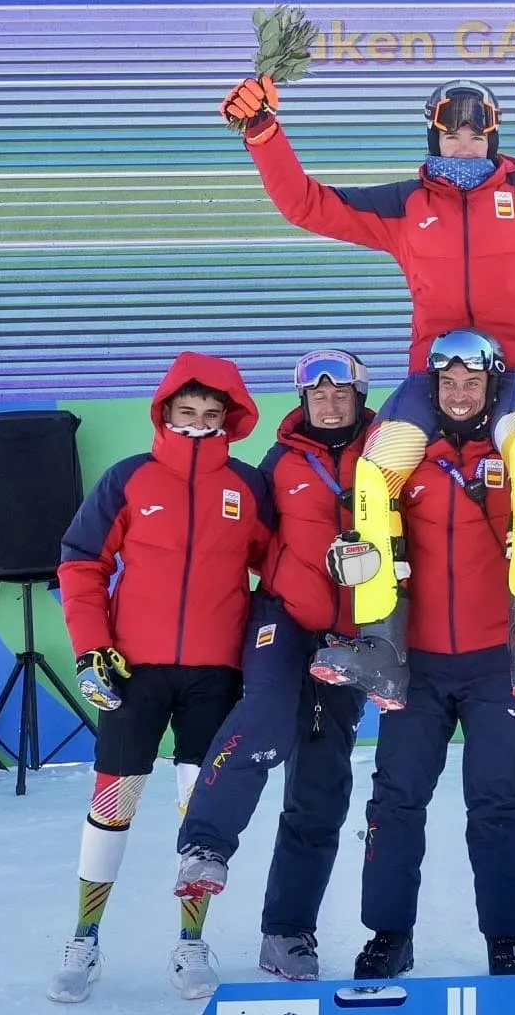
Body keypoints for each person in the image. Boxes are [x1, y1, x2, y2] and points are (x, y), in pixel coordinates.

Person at [220, 55, 515, 710]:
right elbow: (307, 205)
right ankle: (382, 647)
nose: (464, 144)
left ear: (493, 138)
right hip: (434, 379)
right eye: (452, 134)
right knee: (375, 470)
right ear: (434, 137)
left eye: (476, 135)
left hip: (513, 377)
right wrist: (262, 133)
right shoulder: (406, 206)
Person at [327, 306, 515, 981]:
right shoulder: (400, 456)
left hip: (497, 663)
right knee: (395, 800)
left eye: (472, 380)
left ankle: (506, 939)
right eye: (448, 381)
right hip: (418, 666)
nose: (460, 391)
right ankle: (388, 934)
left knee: (497, 804)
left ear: (494, 386)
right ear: (432, 390)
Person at [46, 352, 275, 1004]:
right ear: (165, 413)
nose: (199, 426)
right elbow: (81, 561)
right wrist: (92, 649)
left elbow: (279, 570)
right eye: (188, 413)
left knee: (199, 812)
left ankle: (190, 942)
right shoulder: (130, 479)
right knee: (112, 803)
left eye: (211, 416)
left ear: (230, 421)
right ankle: (85, 938)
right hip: (133, 673)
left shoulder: (248, 488)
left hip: (215, 676)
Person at [168, 350, 374, 982]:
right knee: (262, 717)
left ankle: (288, 935)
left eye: (341, 392)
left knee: (321, 783)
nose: (329, 402)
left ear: (360, 398)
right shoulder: (280, 462)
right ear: (303, 400)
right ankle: (205, 843)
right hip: (284, 614)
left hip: (354, 632)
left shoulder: (391, 453)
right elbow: (239, 539)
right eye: (318, 394)